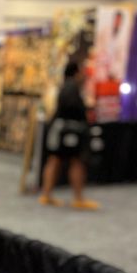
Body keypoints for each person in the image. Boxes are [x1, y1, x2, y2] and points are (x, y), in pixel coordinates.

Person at [39, 61, 99, 210]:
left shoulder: (67, 86)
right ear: (76, 72)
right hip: (68, 131)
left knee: (56, 160)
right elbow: (71, 107)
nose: (84, 74)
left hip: (63, 130)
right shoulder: (71, 87)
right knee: (75, 161)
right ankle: (77, 198)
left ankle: (48, 194)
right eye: (82, 71)